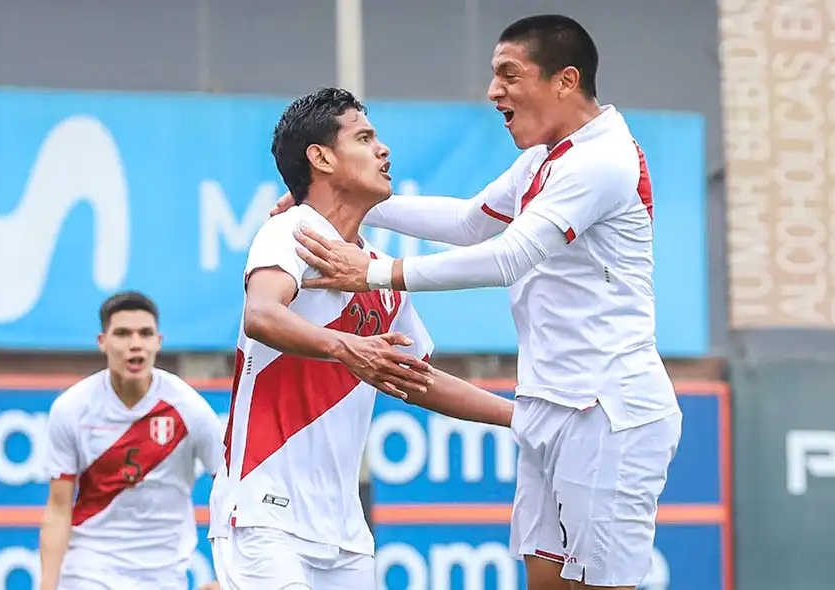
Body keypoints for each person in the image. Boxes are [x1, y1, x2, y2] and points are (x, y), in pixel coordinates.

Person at [273, 14, 683, 590]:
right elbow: (469, 223)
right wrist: (339, 197)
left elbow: (507, 255)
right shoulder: (547, 157)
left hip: (609, 411)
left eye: (508, 75)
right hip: (550, 404)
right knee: (544, 580)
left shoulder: (602, 159)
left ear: (566, 80)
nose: (494, 92)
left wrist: (377, 272)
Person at [209, 87, 514, 590]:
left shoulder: (376, 271)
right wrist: (347, 348)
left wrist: (522, 417)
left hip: (346, 532)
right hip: (265, 513)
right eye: (365, 137)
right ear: (321, 157)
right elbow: (260, 314)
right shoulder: (293, 229)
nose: (383, 150)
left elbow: (416, 378)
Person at [39, 291, 226, 590]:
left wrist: (228, 577)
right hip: (90, 567)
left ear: (158, 342)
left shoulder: (190, 409)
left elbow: (233, 492)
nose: (135, 344)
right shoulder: (71, 407)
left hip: (165, 572)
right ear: (103, 342)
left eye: (145, 334)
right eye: (123, 334)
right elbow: (58, 508)